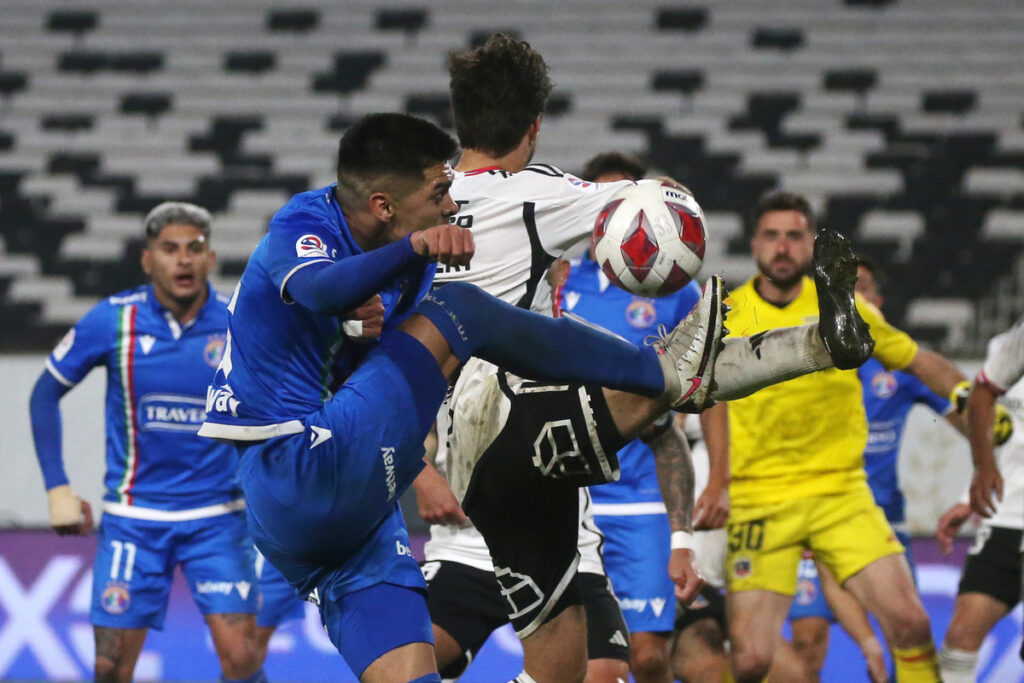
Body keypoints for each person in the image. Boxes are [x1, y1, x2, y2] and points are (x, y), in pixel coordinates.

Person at [197, 111, 740, 683]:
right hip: (298, 461)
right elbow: (319, 287)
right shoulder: (305, 223)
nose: (453, 204)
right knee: (464, 310)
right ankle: (665, 372)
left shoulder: (410, 265)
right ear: (384, 205)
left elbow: (400, 361)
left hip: (345, 526)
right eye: (440, 191)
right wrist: (415, 247)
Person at [434, 34, 875, 683]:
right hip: (514, 419)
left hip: (471, 452)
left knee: (563, 668)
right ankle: (802, 344)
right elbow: (655, 204)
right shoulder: (540, 193)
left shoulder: (425, 199)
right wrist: (655, 195)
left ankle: (799, 344)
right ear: (533, 127)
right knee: (666, 378)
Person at [722, 190, 972, 683]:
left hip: (841, 493)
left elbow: (919, 362)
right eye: (772, 235)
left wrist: (972, 400)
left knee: (911, 621)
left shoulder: (847, 308)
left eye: (795, 236)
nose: (782, 246)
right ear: (754, 244)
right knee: (750, 659)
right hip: (759, 497)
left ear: (810, 246)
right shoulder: (727, 315)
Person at [29, 203, 264, 683]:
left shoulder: (240, 322)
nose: (184, 260)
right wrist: (58, 488)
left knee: (243, 659)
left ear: (211, 258)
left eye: (194, 249)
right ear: (147, 259)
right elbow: (43, 393)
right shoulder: (112, 321)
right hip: (135, 520)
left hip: (218, 518)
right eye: (170, 249)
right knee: (109, 668)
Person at [961, 315, 1024, 679]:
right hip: (1010, 512)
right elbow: (982, 392)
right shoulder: (1016, 340)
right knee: (962, 635)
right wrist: (984, 470)